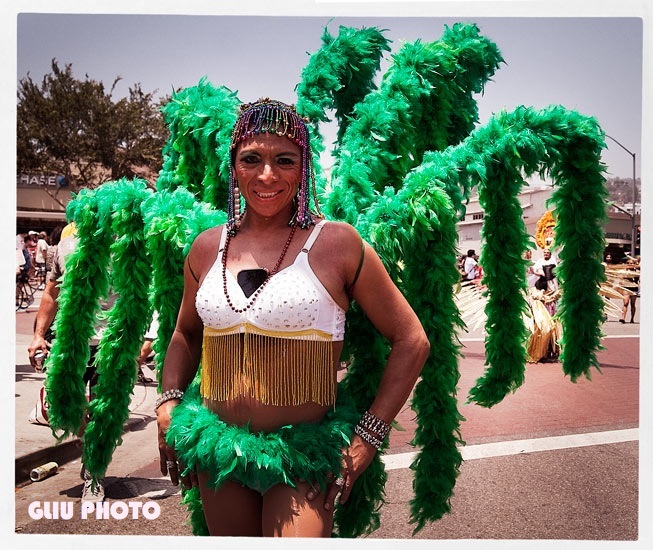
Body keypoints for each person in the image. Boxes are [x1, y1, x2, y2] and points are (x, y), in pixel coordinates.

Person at [156, 98, 430, 537]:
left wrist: (368, 438)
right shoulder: (207, 246)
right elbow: (186, 334)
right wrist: (168, 400)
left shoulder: (337, 243)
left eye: (284, 160)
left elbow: (412, 339)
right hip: (218, 451)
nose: (267, 175)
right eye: (252, 159)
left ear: (303, 168)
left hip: (304, 457)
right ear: (234, 166)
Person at [27, 222, 113, 502]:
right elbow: (51, 293)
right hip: (71, 342)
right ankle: (86, 441)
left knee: (103, 413)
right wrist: (38, 335)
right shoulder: (66, 246)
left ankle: (94, 474)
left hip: (110, 347)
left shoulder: (126, 249)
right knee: (65, 405)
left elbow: (144, 294)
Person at [619, 257, 640, 323]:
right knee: (625, 303)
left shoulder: (637, 272)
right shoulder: (625, 271)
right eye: (629, 263)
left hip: (634, 288)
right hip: (626, 288)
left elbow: (639, 280)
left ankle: (632, 319)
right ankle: (623, 318)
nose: (630, 264)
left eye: (632, 263)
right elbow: (621, 279)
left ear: (634, 264)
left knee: (633, 304)